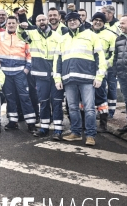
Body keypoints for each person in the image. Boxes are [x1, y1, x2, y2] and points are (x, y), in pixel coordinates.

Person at [54, 12, 107, 146]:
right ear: (66, 22)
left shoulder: (91, 36)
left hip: (87, 79)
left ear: (80, 21)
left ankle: (90, 135)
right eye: (69, 20)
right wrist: (57, 79)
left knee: (89, 108)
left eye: (75, 20)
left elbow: (100, 57)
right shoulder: (62, 38)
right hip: (69, 79)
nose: (72, 22)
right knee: (72, 108)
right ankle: (76, 133)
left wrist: (99, 76)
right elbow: (57, 61)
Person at [0, 15, 35, 131]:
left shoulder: (23, 36)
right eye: (9, 23)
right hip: (5, 74)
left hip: (20, 73)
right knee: (10, 98)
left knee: (25, 97)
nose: (11, 25)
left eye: (13, 23)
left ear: (16, 24)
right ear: (5, 24)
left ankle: (31, 123)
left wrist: (26, 69)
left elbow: (29, 54)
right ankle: (13, 121)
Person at [18, 15, 64, 140]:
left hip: (55, 75)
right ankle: (44, 128)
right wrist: (20, 27)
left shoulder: (57, 36)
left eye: (44, 19)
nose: (42, 22)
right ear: (36, 22)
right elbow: (20, 34)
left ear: (47, 21)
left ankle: (58, 130)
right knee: (43, 102)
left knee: (57, 102)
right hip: (40, 75)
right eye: (39, 20)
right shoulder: (31, 34)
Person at [90, 12, 118, 133]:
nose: (97, 22)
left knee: (101, 96)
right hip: (87, 69)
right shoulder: (86, 33)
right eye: (95, 20)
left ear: (104, 22)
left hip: (101, 70)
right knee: (85, 97)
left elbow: (114, 54)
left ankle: (103, 124)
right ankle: (86, 122)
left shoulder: (111, 35)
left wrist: (104, 65)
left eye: (100, 20)